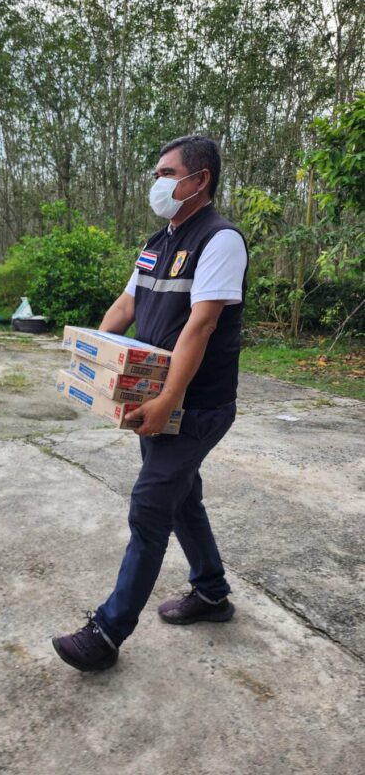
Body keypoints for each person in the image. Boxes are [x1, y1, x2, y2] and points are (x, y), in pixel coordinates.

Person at [52, 135, 248, 672]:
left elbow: (201, 325)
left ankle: (106, 632)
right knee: (182, 499)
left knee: (150, 506)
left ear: (199, 180)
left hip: (196, 405)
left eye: (167, 174)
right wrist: (91, 359)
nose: (157, 183)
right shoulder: (157, 242)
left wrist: (168, 400)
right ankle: (211, 592)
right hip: (157, 397)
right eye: (157, 174)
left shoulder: (221, 240)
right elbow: (127, 303)